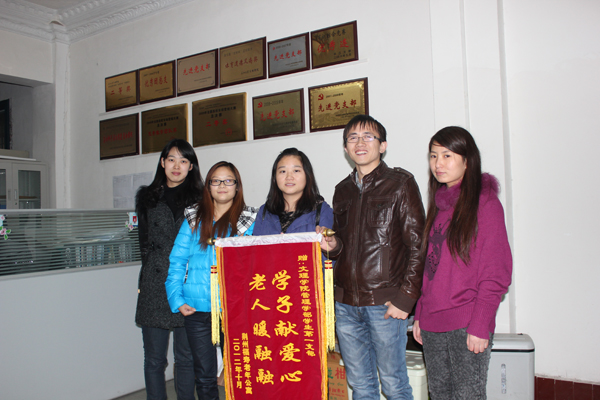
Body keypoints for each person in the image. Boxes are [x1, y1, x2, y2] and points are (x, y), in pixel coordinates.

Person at [318, 114, 426, 400]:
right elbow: (343, 246)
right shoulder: (342, 190)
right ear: (345, 148)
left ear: (383, 145)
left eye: (368, 137)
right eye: (352, 138)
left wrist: (405, 299)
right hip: (345, 305)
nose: (360, 143)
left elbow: (418, 245)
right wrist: (332, 245)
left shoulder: (401, 183)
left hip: (385, 304)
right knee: (360, 384)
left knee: (393, 384)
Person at [412, 126, 512, 399]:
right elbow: (431, 268)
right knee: (439, 394)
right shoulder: (439, 205)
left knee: (468, 396)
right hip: (432, 324)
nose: (438, 163)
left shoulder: (485, 204)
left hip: (466, 323)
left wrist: (480, 323)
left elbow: (496, 272)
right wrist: (420, 313)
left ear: (468, 161)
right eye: (433, 156)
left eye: (447, 155)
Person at [165, 161, 257, 400]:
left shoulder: (249, 221)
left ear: (237, 186)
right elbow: (176, 261)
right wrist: (177, 299)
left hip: (235, 309)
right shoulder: (193, 219)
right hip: (197, 309)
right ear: (208, 186)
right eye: (216, 180)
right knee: (205, 377)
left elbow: (260, 265)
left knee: (242, 375)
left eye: (228, 180)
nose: (222, 185)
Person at [135, 139, 203, 400]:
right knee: (154, 358)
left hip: (188, 283)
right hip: (155, 283)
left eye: (183, 160)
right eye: (171, 159)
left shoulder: (201, 199)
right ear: (162, 162)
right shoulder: (147, 197)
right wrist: (144, 279)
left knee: (186, 357)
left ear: (191, 166)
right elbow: (144, 243)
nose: (177, 166)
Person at [253, 147, 334, 238]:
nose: (289, 177)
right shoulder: (264, 212)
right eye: (283, 171)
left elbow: (331, 244)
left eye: (296, 171)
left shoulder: (322, 211)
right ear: (274, 178)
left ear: (307, 175)